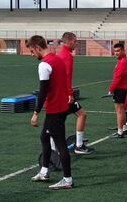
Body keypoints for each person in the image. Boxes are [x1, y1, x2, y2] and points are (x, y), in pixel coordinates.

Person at [27, 35, 73, 189]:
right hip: (61, 108)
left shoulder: (44, 65)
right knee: (44, 137)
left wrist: (35, 113)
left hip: (55, 109)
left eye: (32, 51)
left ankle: (67, 180)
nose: (32, 54)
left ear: (38, 48)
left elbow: (43, 92)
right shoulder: (57, 59)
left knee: (60, 145)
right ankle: (44, 171)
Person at [58, 32, 93, 155]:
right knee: (81, 115)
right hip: (64, 93)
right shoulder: (67, 55)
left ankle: (57, 146)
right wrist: (69, 93)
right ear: (67, 42)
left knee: (57, 121)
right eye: (74, 41)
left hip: (59, 92)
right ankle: (79, 145)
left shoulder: (61, 53)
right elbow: (66, 76)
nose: (76, 43)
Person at [108, 43, 127, 138]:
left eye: (118, 51)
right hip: (121, 89)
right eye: (115, 51)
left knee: (119, 111)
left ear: (123, 51)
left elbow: (118, 78)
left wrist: (111, 89)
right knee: (122, 111)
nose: (116, 53)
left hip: (120, 89)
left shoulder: (123, 62)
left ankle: (120, 132)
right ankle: (124, 129)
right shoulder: (121, 61)